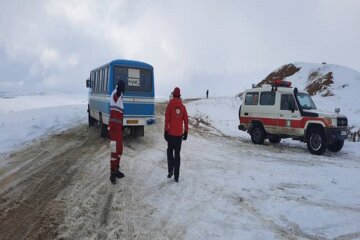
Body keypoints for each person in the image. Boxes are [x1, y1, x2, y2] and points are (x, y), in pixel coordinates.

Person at [164, 87, 189, 182]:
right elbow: (186, 121)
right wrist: (186, 132)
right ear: (179, 96)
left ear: (174, 95)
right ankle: (176, 177)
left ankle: (171, 170)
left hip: (170, 135)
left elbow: (167, 119)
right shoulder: (183, 107)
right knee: (177, 155)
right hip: (179, 136)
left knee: (170, 152)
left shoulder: (169, 105)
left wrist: (165, 131)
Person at [108, 80, 126, 184]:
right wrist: (119, 90)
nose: (123, 90)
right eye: (122, 88)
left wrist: (122, 125)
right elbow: (116, 96)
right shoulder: (115, 94)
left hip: (118, 128)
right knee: (114, 151)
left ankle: (116, 169)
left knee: (120, 150)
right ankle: (112, 173)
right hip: (113, 129)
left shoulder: (120, 96)